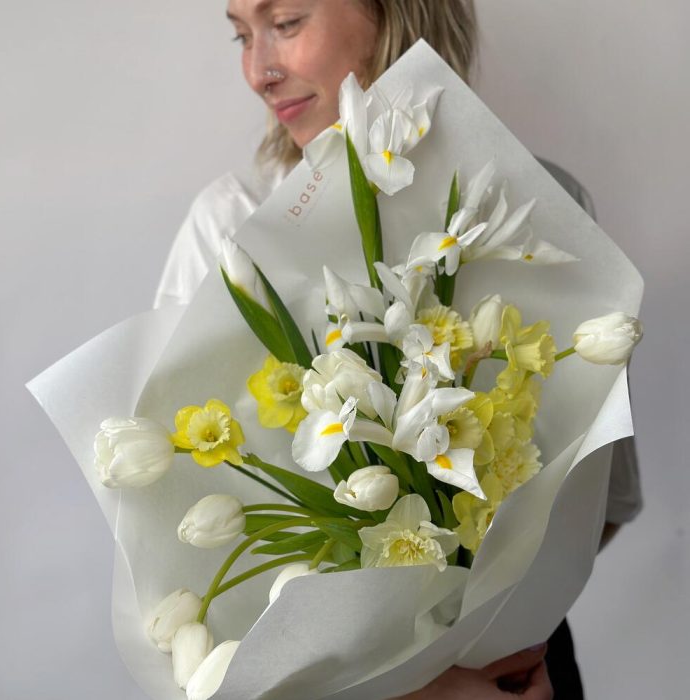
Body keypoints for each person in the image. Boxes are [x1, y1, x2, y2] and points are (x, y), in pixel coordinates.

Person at [154, 1, 642, 697]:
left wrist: (490, 628)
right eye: (241, 34)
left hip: (520, 668)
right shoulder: (229, 228)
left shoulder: (543, 204)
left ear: (394, 13)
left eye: (285, 22)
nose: (258, 71)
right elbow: (177, 531)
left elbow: (600, 497)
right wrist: (419, 684)